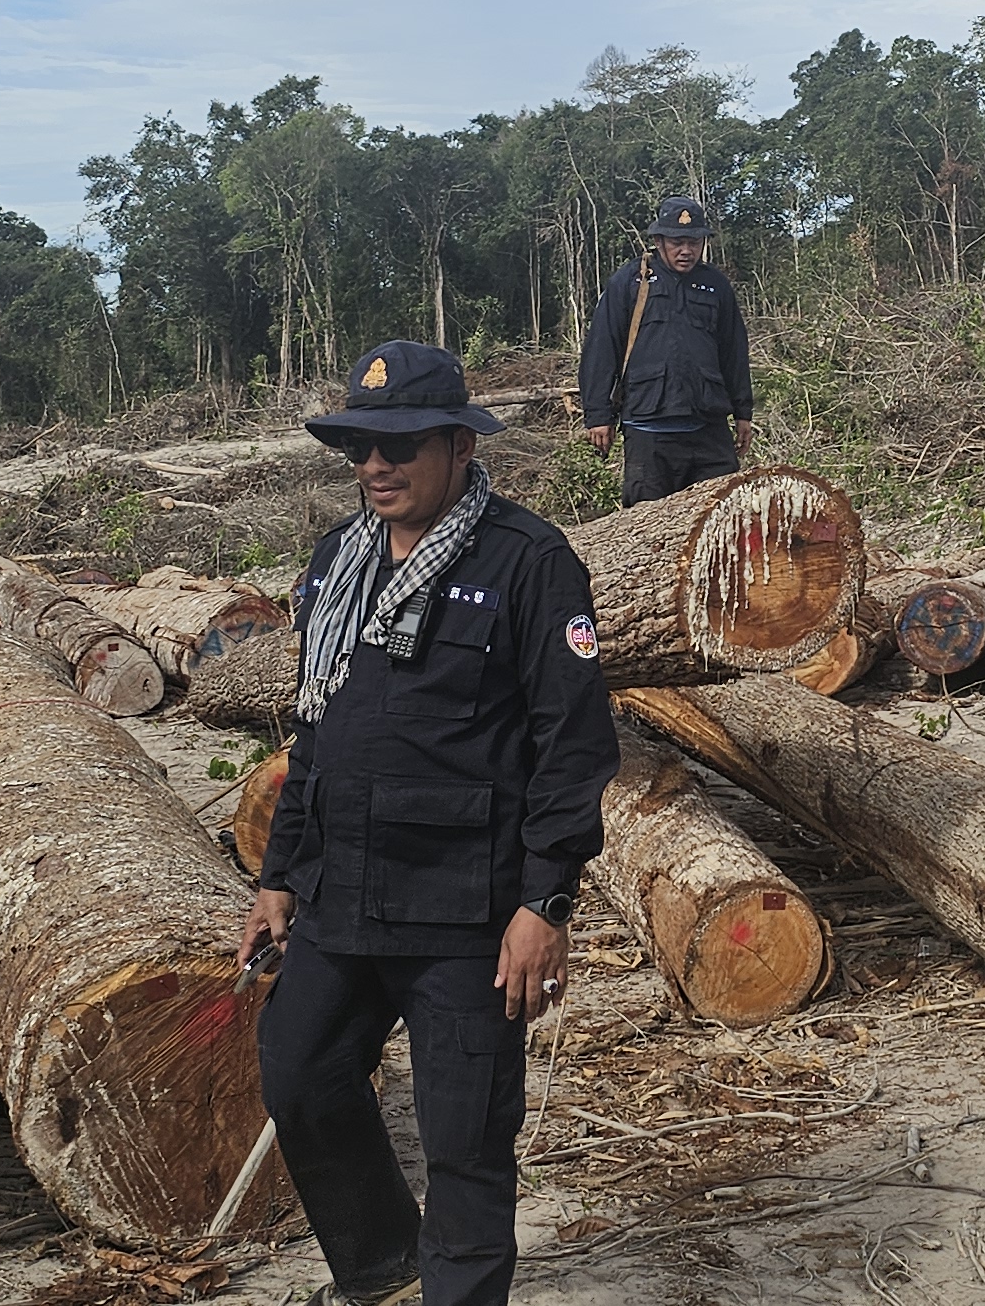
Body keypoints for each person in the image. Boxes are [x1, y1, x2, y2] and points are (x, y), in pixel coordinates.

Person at [237, 341, 621, 1306]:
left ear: (458, 445)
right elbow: (313, 736)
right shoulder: (336, 563)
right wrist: (279, 875)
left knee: (467, 1141)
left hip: (464, 911)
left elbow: (572, 747)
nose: (377, 466)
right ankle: (381, 1269)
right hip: (339, 893)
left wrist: (546, 900)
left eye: (402, 445)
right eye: (362, 447)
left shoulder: (529, 563)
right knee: (299, 1074)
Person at [578, 195, 757, 506]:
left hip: (708, 429)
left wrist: (743, 413)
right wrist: (597, 415)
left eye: (694, 242)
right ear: (659, 240)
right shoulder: (631, 281)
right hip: (649, 430)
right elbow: (602, 348)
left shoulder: (716, 286)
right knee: (646, 525)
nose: (686, 250)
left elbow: (734, 353)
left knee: (723, 517)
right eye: (677, 241)